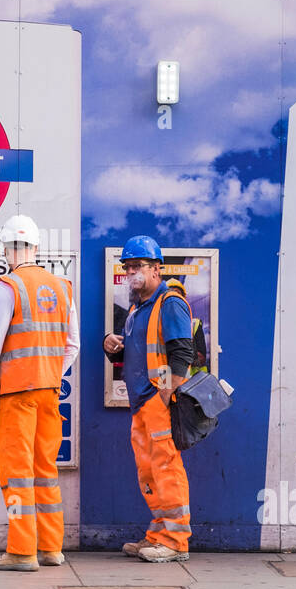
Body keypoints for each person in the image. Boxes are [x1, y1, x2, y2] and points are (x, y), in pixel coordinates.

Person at [0, 215, 79, 572]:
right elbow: (73, 345)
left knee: (17, 474)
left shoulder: (9, 285)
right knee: (45, 471)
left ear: (6, 249)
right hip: (50, 393)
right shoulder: (63, 287)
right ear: (36, 246)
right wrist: (49, 372)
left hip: (17, 395)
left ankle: (20, 552)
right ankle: (51, 549)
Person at [104, 236, 194, 562]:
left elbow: (183, 353)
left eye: (138, 265)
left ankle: (175, 541)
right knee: (148, 471)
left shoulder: (169, 302)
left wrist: (166, 394)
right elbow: (140, 354)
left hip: (157, 400)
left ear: (157, 268)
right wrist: (112, 344)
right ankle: (157, 534)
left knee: (166, 467)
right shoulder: (137, 308)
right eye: (128, 266)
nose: (132, 272)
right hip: (141, 404)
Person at [165, 278, 208, 375]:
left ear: (183, 299)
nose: (173, 300)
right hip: (167, 381)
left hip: (191, 383)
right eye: (169, 295)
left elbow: (201, 358)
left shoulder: (194, 324)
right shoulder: (158, 325)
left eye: (177, 295)